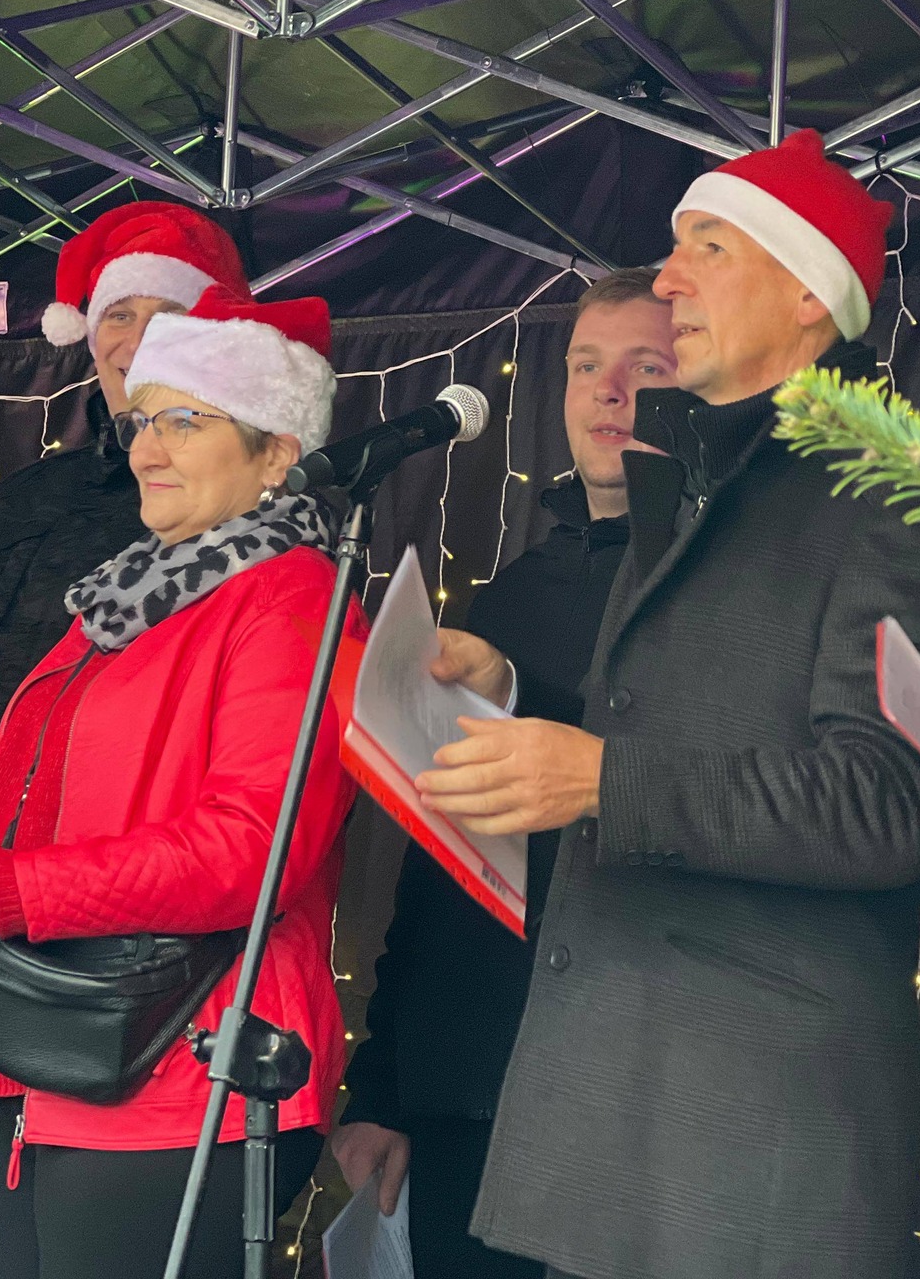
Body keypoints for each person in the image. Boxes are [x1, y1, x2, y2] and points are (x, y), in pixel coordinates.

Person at [416, 130, 920, 1279]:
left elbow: (883, 803)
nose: (670, 276)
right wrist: (521, 699)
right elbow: (689, 730)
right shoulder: (693, 482)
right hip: (616, 1116)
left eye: (709, 247)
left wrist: (595, 778)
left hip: (752, 1139)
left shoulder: (903, 496)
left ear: (804, 294)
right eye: (674, 246)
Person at [0, 287, 360, 1279]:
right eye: (144, 420)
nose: (147, 448)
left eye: (188, 420)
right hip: (58, 1050)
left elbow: (249, 850)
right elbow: (54, 812)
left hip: (186, 1067)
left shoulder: (291, 599)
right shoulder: (131, 596)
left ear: (276, 452)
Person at [329, 269, 678, 1278]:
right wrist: (385, 1088)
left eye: (643, 366)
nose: (605, 391)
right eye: (583, 366)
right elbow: (442, 863)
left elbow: (699, 789)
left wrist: (526, 699)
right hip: (464, 1096)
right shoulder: (511, 592)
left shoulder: (723, 594)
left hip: (628, 1105)